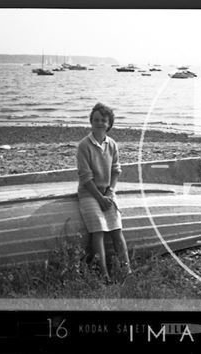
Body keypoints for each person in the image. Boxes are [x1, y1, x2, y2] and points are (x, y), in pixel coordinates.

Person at [77, 102, 132, 282]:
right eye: (96, 120)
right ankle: (104, 275)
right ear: (91, 122)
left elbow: (116, 170)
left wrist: (110, 192)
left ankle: (127, 271)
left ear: (109, 124)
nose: (100, 123)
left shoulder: (112, 144)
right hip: (89, 194)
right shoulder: (84, 145)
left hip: (107, 192)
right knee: (98, 231)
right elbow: (85, 177)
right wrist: (100, 198)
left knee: (117, 230)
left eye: (103, 120)